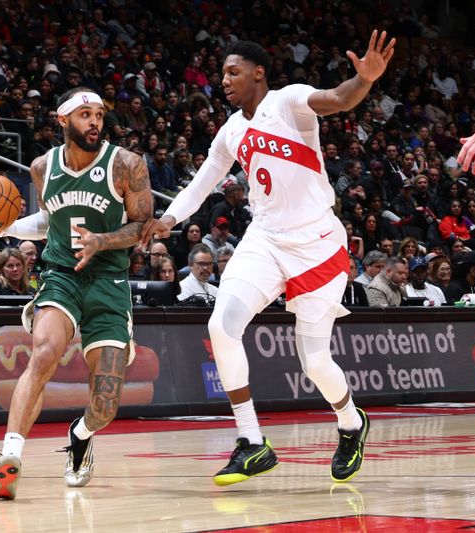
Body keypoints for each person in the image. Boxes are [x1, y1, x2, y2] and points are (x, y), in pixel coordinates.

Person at [141, 33, 395, 486]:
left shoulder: (290, 101)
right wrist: (170, 218)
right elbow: (201, 185)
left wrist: (364, 79)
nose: (224, 80)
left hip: (317, 242)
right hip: (265, 238)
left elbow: (338, 99)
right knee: (221, 325)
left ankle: (351, 423)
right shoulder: (230, 131)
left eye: (232, 72)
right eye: (221, 74)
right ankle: (252, 442)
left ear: (259, 72)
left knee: (314, 361)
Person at [0, 86, 152, 500]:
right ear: (62, 120)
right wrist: (5, 228)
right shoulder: (41, 168)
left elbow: (142, 227)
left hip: (109, 282)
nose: (95, 122)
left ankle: (80, 435)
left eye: (100, 115)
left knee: (104, 405)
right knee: (44, 352)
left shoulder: (126, 164)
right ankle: (11, 454)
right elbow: (50, 221)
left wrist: (101, 241)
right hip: (62, 275)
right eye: (85, 114)